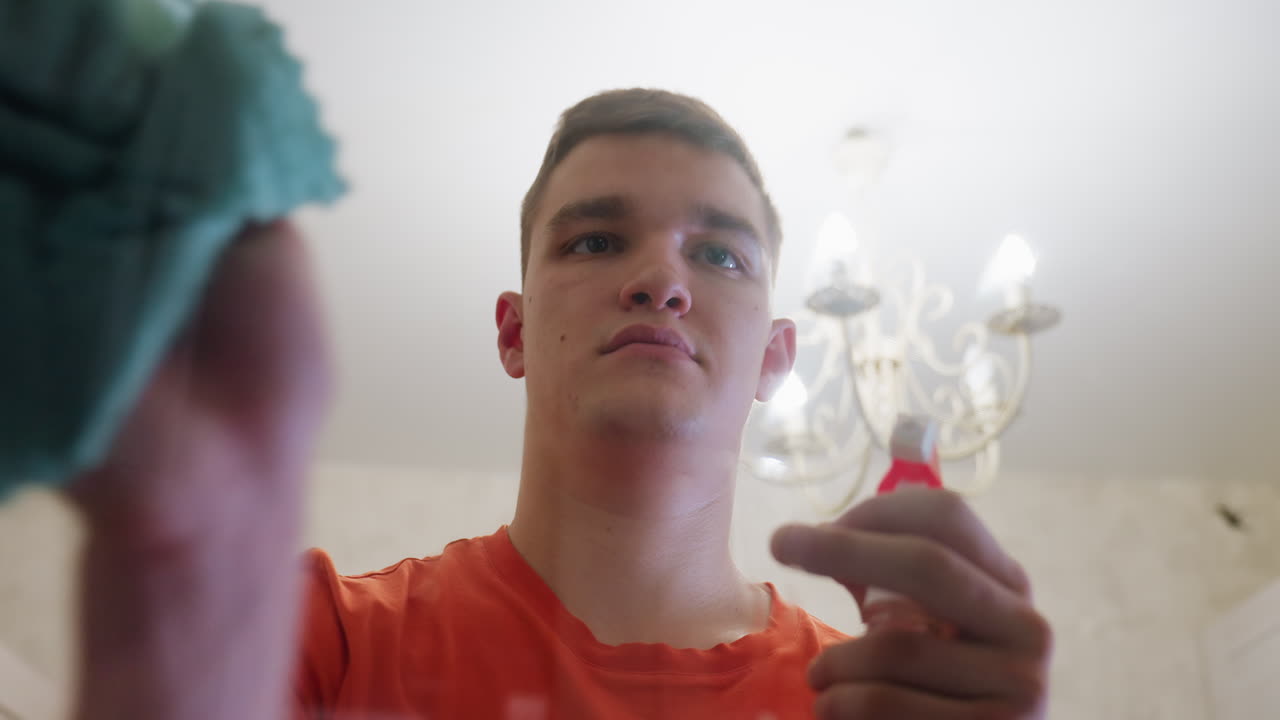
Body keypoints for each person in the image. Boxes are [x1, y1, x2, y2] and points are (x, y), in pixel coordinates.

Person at [64, 89, 1051, 719]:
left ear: (775, 356)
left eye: (718, 254)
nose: (661, 281)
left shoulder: (879, 700)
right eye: (593, 241)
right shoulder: (320, 636)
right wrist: (174, 578)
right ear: (512, 332)